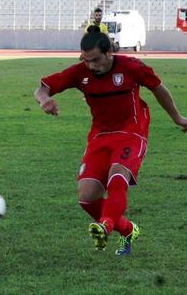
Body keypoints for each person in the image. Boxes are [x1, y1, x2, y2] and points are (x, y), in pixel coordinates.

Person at [34, 26, 187, 256]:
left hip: (131, 132)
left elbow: (158, 89)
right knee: (87, 199)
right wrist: (43, 100)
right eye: (85, 60)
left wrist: (178, 118)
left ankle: (105, 226)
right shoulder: (80, 73)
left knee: (117, 177)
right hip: (100, 136)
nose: (90, 66)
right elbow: (43, 88)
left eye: (95, 60)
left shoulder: (132, 67)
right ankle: (127, 230)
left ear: (109, 53)